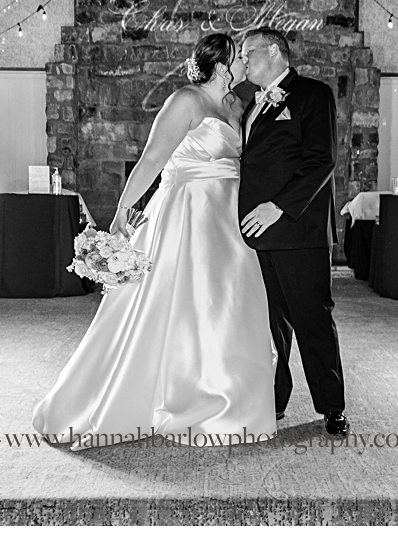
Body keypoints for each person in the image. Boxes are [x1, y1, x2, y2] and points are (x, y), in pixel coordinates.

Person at [32, 33, 277, 451]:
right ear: (222, 65)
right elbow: (152, 159)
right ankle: (158, 397)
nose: (245, 64)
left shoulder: (236, 105)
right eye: (240, 58)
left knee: (226, 306)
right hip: (186, 215)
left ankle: (221, 400)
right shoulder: (185, 100)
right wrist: (123, 211)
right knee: (170, 306)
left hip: (227, 221)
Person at [237, 28, 349, 437]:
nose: (243, 62)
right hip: (256, 234)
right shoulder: (252, 104)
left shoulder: (313, 94)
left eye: (249, 54)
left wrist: (277, 207)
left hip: (298, 230)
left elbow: (321, 161)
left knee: (311, 320)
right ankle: (274, 400)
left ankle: (331, 405)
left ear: (274, 52)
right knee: (270, 325)